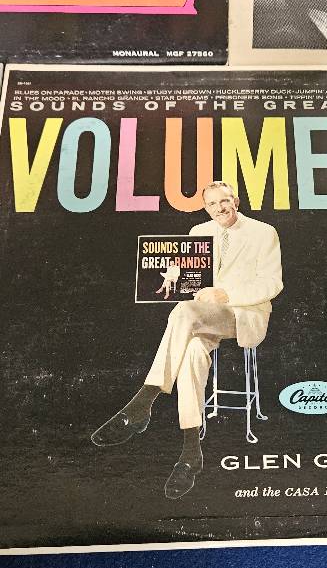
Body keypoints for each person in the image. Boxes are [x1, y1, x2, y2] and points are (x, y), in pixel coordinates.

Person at [91, 183, 284, 500]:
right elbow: (187, 270)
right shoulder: (198, 232)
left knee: (184, 312)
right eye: (212, 204)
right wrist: (169, 273)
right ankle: (191, 452)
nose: (220, 208)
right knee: (192, 351)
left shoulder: (264, 232)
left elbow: (272, 283)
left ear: (236, 201)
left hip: (243, 314)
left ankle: (143, 401)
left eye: (225, 201)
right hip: (204, 315)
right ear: (206, 208)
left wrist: (227, 294)